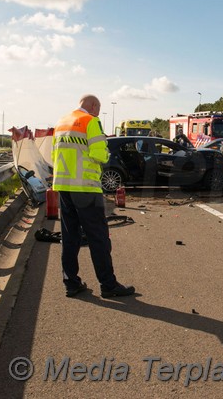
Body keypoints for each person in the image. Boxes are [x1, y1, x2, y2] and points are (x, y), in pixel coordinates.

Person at [51, 94, 135, 298]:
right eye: (98, 108)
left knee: (70, 237)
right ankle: (108, 285)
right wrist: (106, 155)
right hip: (86, 188)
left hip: (64, 187)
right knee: (98, 238)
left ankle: (71, 283)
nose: (98, 112)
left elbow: (54, 156)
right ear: (94, 106)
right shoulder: (91, 121)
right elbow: (99, 154)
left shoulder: (61, 123)